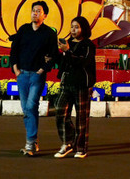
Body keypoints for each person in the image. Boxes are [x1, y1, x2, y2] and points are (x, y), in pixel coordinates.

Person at [9, 1, 59, 156]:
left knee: (31, 106)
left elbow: (54, 53)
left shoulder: (49, 33)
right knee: (26, 109)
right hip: (22, 74)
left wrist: (44, 69)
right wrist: (15, 69)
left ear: (45, 15)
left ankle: (30, 143)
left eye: (38, 11)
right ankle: (33, 142)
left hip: (37, 76)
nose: (35, 13)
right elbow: (14, 50)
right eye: (33, 10)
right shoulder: (23, 30)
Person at [52, 16, 96, 159]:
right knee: (60, 111)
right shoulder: (68, 43)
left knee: (81, 117)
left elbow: (81, 62)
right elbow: (64, 62)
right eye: (72, 27)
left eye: (77, 27)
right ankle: (67, 142)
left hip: (82, 84)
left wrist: (67, 51)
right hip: (66, 83)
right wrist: (54, 56)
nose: (73, 30)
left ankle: (81, 147)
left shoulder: (88, 45)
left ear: (84, 28)